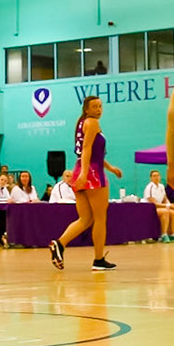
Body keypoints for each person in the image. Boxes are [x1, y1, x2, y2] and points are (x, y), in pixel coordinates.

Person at [52, 95, 122, 271]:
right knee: (100, 218)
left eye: (100, 106)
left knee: (85, 219)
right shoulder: (92, 123)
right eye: (95, 107)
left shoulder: (83, 123)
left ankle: (59, 244)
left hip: (81, 170)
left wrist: (110, 167)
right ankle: (98, 260)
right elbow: (87, 149)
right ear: (87, 109)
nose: (99, 109)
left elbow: (94, 153)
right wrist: (85, 173)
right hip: (91, 173)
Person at [141, 169, 174, 242]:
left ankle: (173, 234)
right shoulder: (149, 187)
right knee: (165, 212)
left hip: (160, 207)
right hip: (150, 209)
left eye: (158, 176)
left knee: (173, 212)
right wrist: (167, 206)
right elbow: (153, 203)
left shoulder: (161, 186)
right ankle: (163, 235)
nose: (156, 177)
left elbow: (165, 199)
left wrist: (169, 204)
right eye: (154, 176)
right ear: (151, 178)